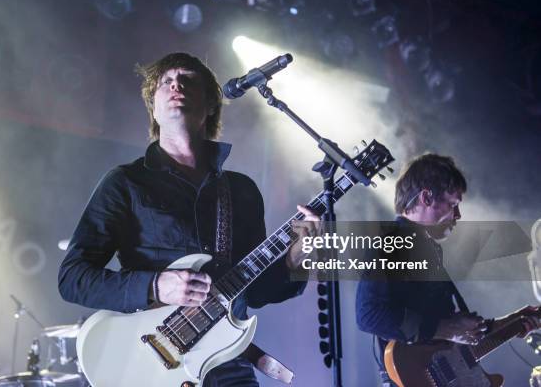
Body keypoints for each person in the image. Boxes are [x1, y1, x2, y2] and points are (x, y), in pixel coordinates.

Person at [58, 52, 318, 386]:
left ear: (211, 105)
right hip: (152, 364)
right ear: (153, 106)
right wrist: (155, 285)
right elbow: (73, 278)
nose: (176, 85)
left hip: (227, 365)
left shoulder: (241, 190)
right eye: (166, 81)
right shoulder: (125, 182)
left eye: (188, 79)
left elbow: (256, 293)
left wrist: (298, 257)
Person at [356, 153, 537, 386]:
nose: (458, 215)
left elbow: (451, 338)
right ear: (426, 197)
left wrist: (513, 322)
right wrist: (448, 329)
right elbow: (368, 316)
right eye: (453, 204)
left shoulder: (427, 247)